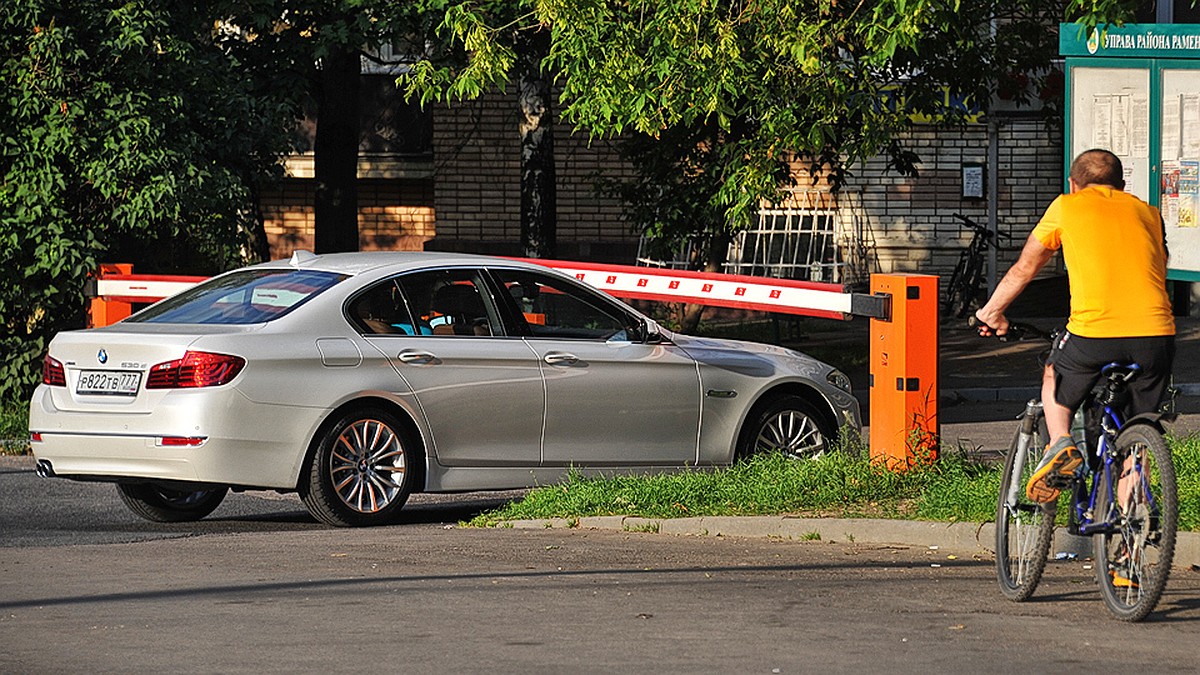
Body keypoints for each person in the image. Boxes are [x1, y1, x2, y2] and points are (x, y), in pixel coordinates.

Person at [974, 149, 1175, 503]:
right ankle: (1133, 528)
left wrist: (991, 313)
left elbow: (1025, 268)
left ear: (1073, 183)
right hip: (1156, 335)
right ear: (1121, 185)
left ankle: (1061, 443)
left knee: (1054, 369)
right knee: (1139, 427)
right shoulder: (1149, 213)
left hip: (1093, 334)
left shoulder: (1067, 206)